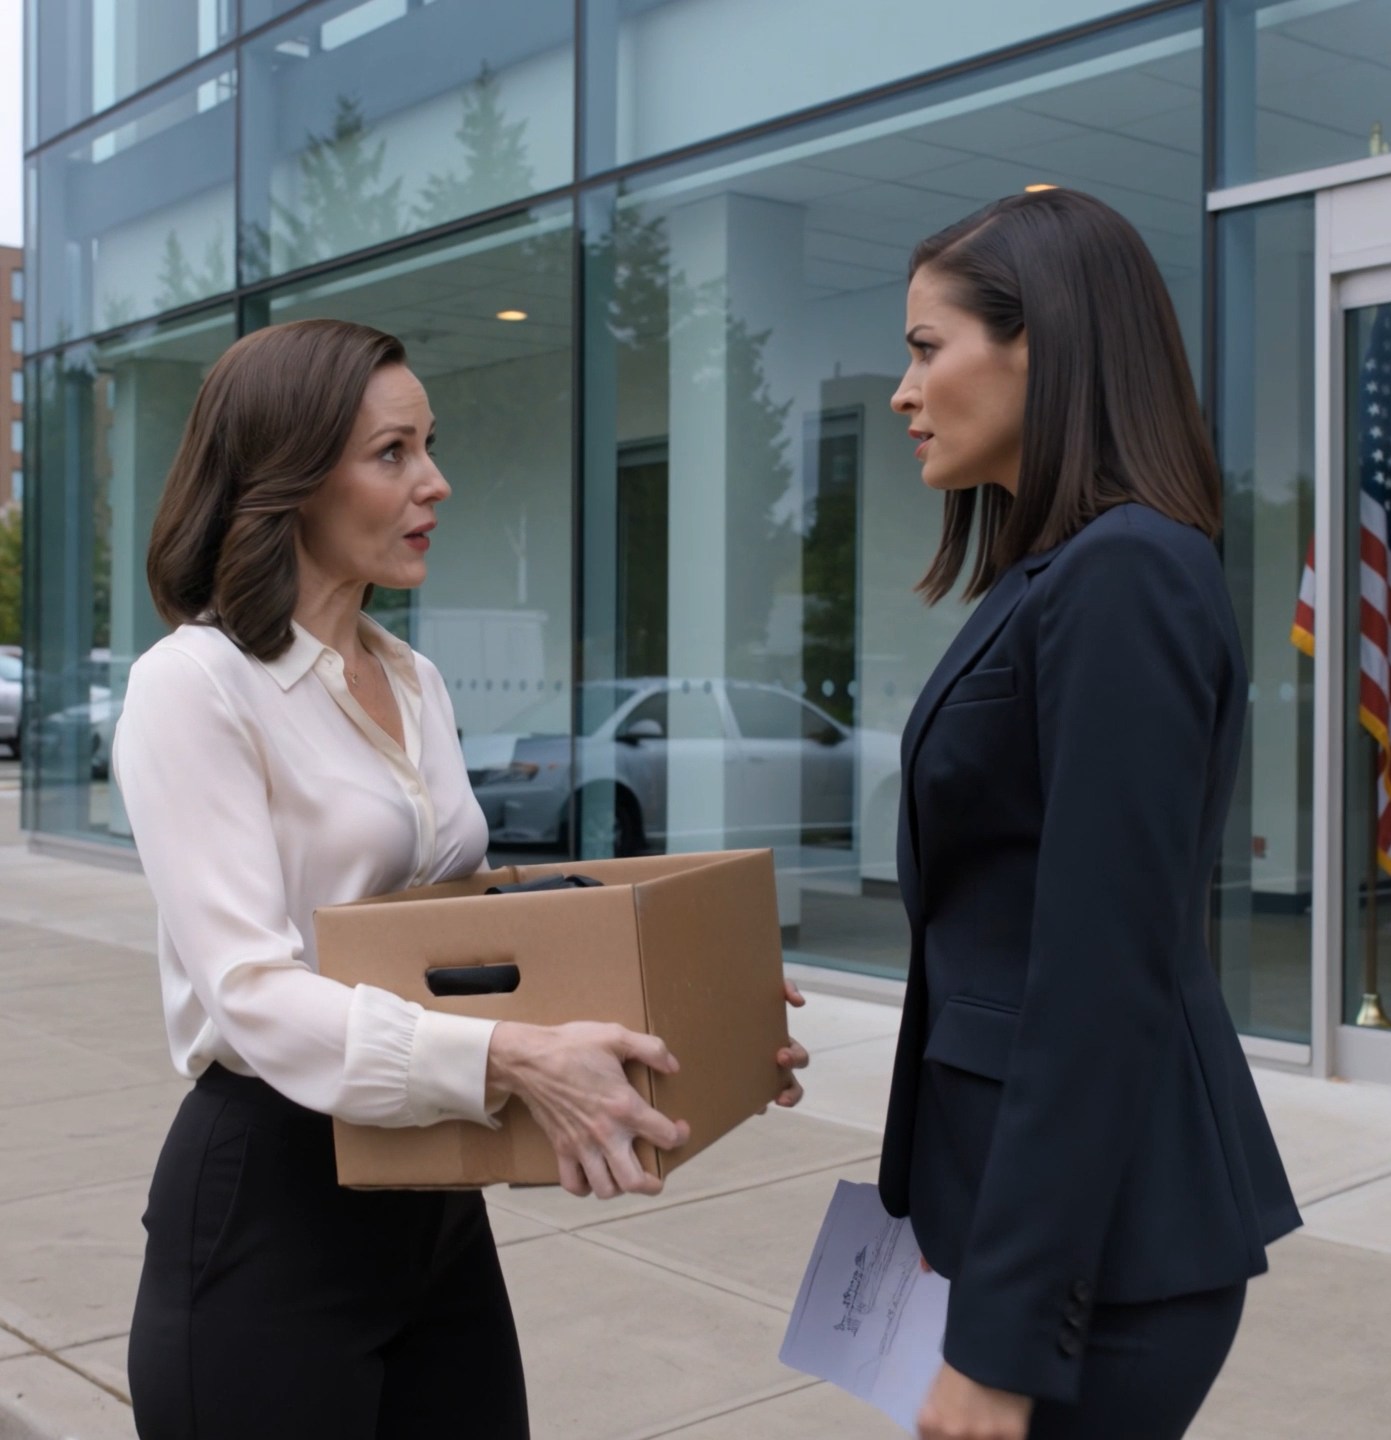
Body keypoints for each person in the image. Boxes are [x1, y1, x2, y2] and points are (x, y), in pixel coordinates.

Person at [113, 318, 808, 1439]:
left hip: (433, 1196)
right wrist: (517, 1061)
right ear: (287, 477)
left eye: (427, 446)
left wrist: (694, 1016)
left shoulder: (415, 680)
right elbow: (250, 991)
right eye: (393, 453)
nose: (435, 481)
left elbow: (482, 941)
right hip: (270, 1204)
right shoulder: (195, 687)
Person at [879, 189, 1301, 1440]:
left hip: (1102, 1272)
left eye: (923, 348)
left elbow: (1097, 977)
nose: (902, 393)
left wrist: (1002, 1345)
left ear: (1042, 346)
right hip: (1046, 1226)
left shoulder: (1124, 573)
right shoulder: (1061, 570)